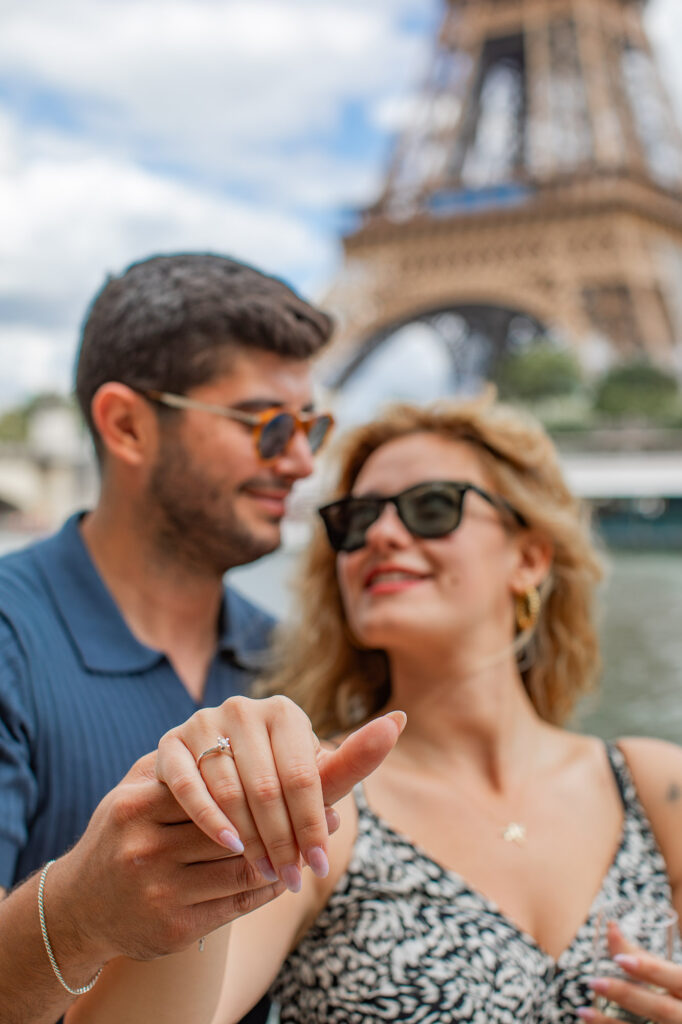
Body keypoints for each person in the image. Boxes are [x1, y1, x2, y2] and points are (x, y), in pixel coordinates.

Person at [70, 394, 682, 1024]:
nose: (383, 535)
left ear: (528, 558)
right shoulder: (322, 808)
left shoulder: (656, 789)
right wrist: (216, 825)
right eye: (355, 520)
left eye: (432, 507)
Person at [0, 251, 399, 1024]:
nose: (302, 460)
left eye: (311, 425)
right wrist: (85, 912)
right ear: (126, 425)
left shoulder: (302, 661)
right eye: (267, 424)